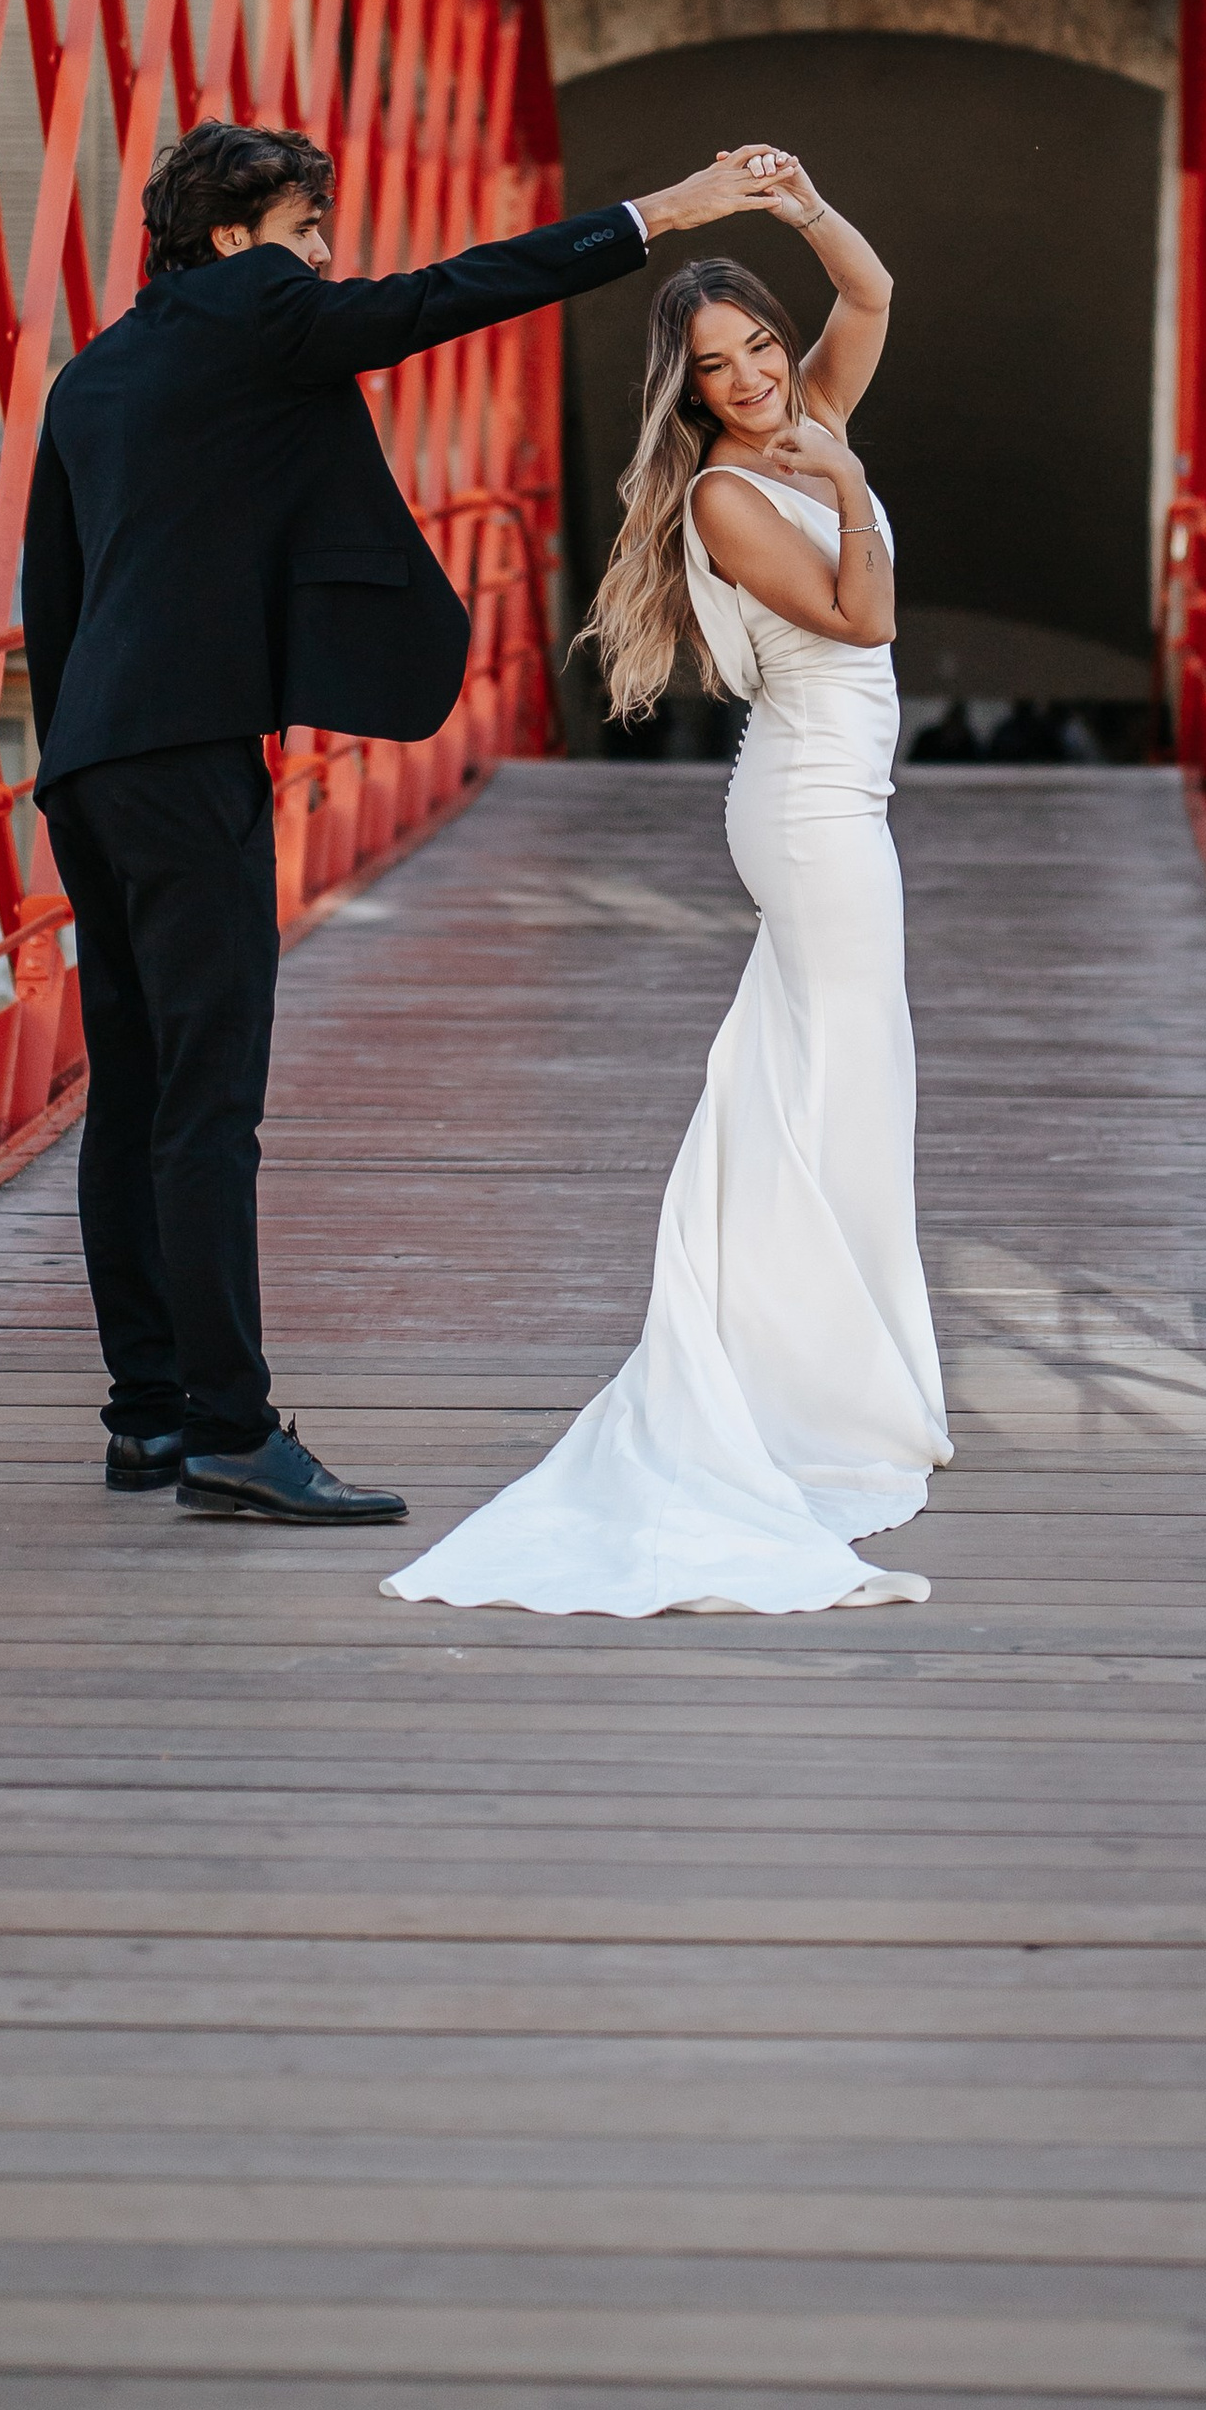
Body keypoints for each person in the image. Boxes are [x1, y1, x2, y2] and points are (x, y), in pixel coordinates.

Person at [22, 118, 787, 1531]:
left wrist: (74, 756)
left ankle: (147, 1417)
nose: (326, 258)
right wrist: (661, 211)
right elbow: (448, 296)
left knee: (132, 1093)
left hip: (90, 762)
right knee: (209, 1106)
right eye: (307, 231)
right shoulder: (254, 308)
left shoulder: (97, 372)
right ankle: (235, 1433)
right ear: (236, 240)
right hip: (187, 758)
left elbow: (52, 601)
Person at [385, 152, 949, 1617]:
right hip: (812, 806)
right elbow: (865, 621)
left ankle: (823, 1359)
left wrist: (804, 204)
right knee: (839, 1075)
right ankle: (797, 1383)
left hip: (841, 802)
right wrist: (859, 484)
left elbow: (875, 291)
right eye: (723, 366)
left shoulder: (812, 420)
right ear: (687, 390)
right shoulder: (725, 500)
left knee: (831, 1076)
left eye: (764, 345)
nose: (758, 377)